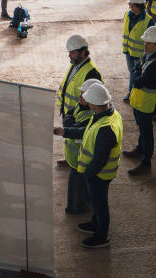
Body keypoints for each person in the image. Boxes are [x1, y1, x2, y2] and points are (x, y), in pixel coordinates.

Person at [54, 83, 123, 249]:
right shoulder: (107, 114)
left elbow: (100, 159)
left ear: (92, 104)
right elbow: (87, 130)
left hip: (100, 174)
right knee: (96, 202)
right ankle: (94, 224)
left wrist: (88, 175)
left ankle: (101, 236)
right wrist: (65, 131)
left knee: (100, 205)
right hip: (97, 174)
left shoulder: (106, 127)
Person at [123, 26, 156, 176]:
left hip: (145, 104)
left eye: (148, 43)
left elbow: (138, 81)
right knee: (141, 128)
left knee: (147, 133)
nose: (145, 45)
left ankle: (146, 163)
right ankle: (139, 149)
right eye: (145, 42)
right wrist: (136, 75)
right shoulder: (146, 55)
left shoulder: (155, 64)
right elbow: (135, 72)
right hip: (138, 101)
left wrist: (136, 76)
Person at [57, 34, 103, 166]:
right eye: (69, 52)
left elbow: (94, 100)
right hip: (71, 112)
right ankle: (69, 158)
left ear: (83, 52)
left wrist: (76, 114)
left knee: (78, 142)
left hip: (80, 116)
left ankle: (78, 163)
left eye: (72, 52)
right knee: (69, 138)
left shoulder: (92, 73)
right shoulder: (76, 64)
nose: (69, 55)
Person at [62, 78, 103, 214]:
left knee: (77, 186)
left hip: (80, 159)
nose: (79, 97)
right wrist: (69, 120)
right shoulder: (82, 106)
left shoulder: (91, 115)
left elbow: (71, 127)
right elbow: (69, 114)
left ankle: (77, 208)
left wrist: (68, 123)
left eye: (83, 94)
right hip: (76, 157)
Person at [122, 0, 155, 103]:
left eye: (133, 5)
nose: (130, 7)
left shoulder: (148, 20)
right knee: (132, 73)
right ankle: (130, 92)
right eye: (130, 5)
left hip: (140, 54)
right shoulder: (127, 15)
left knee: (138, 75)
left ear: (140, 6)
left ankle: (134, 94)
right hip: (128, 51)